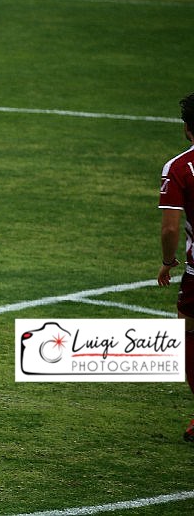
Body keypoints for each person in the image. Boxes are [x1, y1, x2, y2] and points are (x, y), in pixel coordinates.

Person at [158, 91, 194, 442]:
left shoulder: (180, 168)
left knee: (188, 335)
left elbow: (170, 229)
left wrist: (168, 262)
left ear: (187, 128)